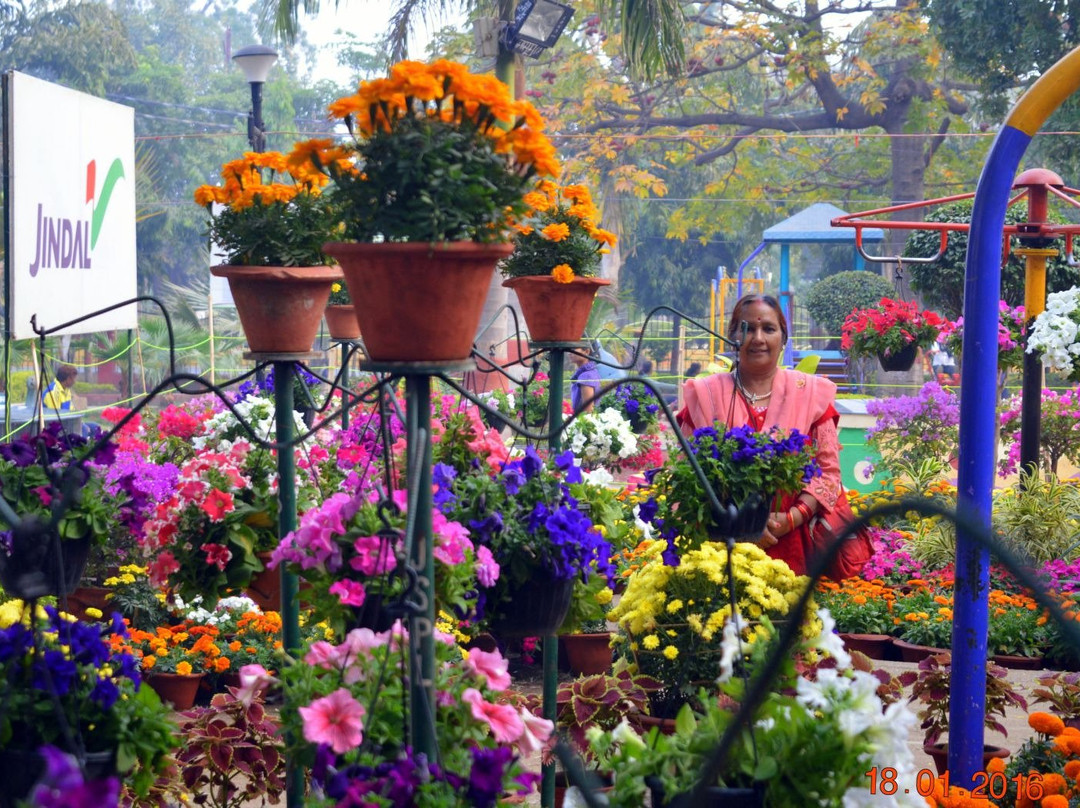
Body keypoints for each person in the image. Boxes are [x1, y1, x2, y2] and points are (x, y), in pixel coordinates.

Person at [676, 294, 872, 578]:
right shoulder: (705, 394)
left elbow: (829, 473)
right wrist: (739, 526)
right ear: (732, 337)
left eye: (768, 329)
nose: (757, 338)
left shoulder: (810, 394)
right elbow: (685, 475)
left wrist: (792, 518)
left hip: (793, 546)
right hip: (720, 548)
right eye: (747, 329)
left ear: (783, 338)